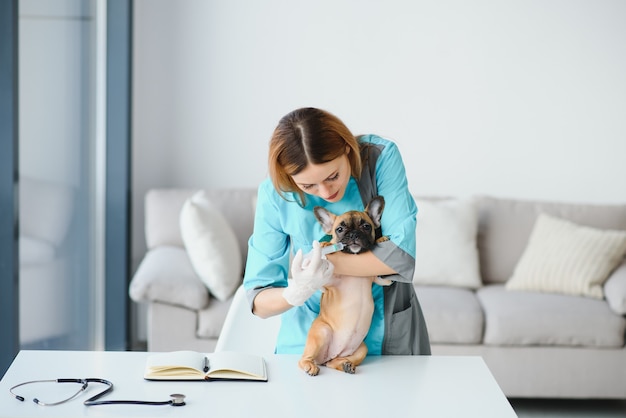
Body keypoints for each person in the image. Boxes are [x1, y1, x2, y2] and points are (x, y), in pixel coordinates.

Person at [243, 107, 431, 356]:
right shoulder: (275, 194)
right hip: (311, 340)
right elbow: (259, 301)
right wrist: (296, 290)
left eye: (333, 175)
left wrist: (326, 264)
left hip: (386, 340)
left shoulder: (379, 159)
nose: (324, 192)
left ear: (346, 148)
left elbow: (401, 255)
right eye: (308, 185)